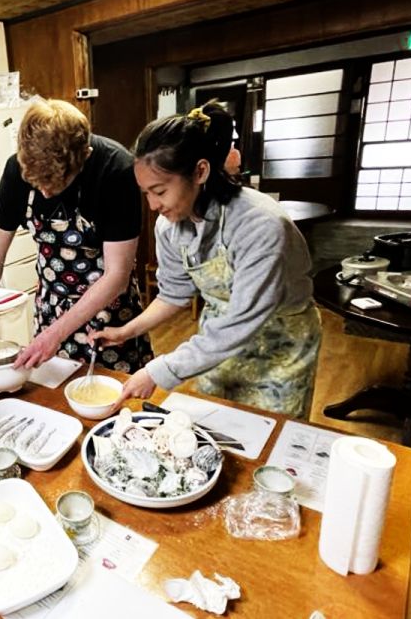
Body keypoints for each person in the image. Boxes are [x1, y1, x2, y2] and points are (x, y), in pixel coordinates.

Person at [92, 101, 321, 417]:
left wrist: (158, 371)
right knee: (216, 429)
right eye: (145, 193)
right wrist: (126, 331)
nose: (153, 205)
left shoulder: (261, 225)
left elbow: (240, 322)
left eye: (159, 190)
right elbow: (174, 294)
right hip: (216, 342)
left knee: (269, 440)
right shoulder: (170, 226)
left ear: (200, 171)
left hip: (280, 344)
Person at [0, 99, 153, 371]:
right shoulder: (16, 171)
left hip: (108, 314)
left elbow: (117, 275)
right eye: (38, 185)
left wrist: (56, 334)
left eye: (56, 184)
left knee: (115, 402)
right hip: (51, 309)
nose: (46, 193)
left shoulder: (115, 170)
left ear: (84, 155)